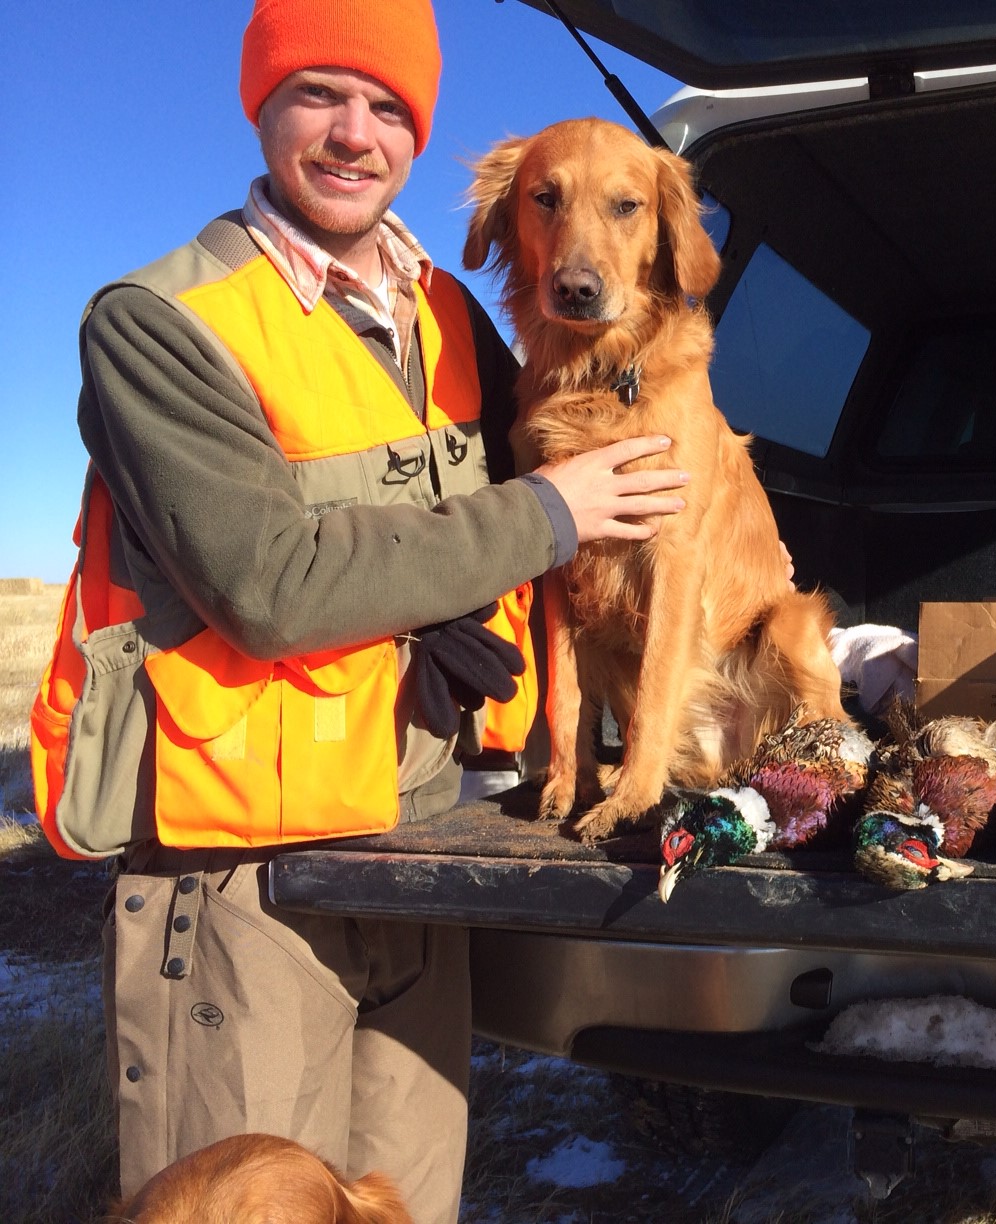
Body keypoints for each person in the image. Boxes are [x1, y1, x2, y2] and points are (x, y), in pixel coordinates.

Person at [27, 1, 689, 1219]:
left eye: (388, 106)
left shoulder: (446, 312)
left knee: (410, 1202)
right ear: (262, 104)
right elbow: (267, 589)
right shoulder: (160, 323)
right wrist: (549, 512)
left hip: (414, 850)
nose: (354, 133)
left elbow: (603, 437)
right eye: (319, 93)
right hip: (241, 880)